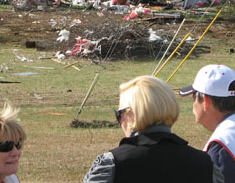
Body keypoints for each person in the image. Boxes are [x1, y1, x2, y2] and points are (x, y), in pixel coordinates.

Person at [84, 75, 224, 183]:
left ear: (132, 113)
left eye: (119, 114)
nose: (120, 122)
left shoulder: (112, 164)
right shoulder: (206, 164)